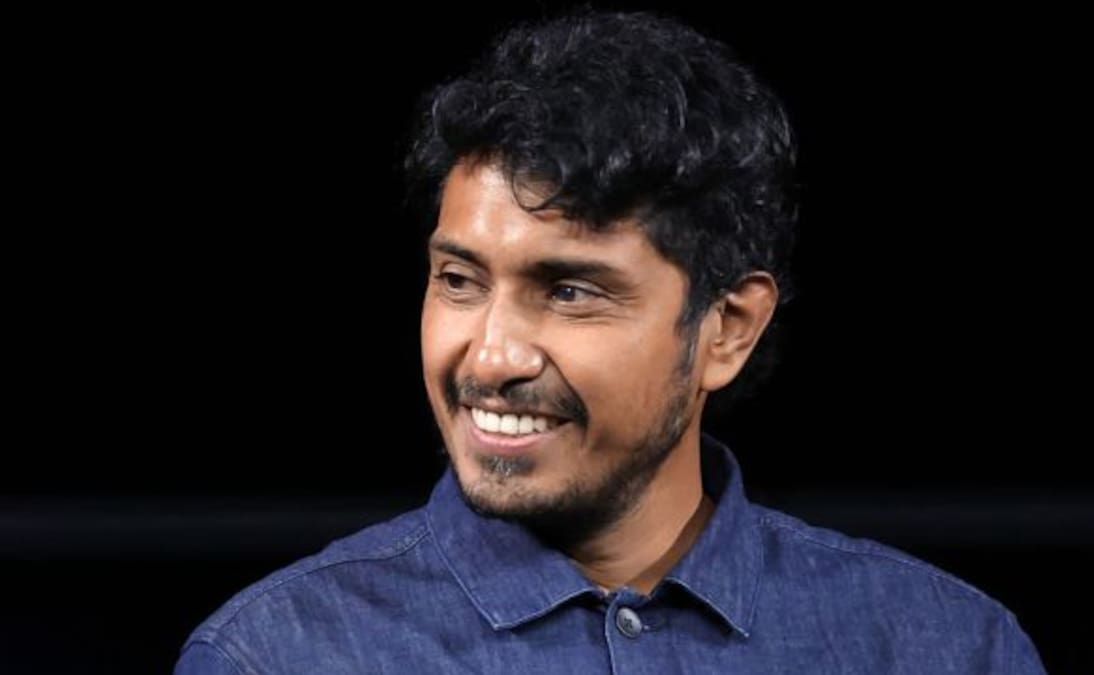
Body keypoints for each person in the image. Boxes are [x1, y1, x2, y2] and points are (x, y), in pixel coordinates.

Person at [175, 9, 1046, 674]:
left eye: (569, 291)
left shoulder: (946, 647)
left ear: (727, 328)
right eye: (460, 280)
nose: (491, 357)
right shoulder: (277, 655)